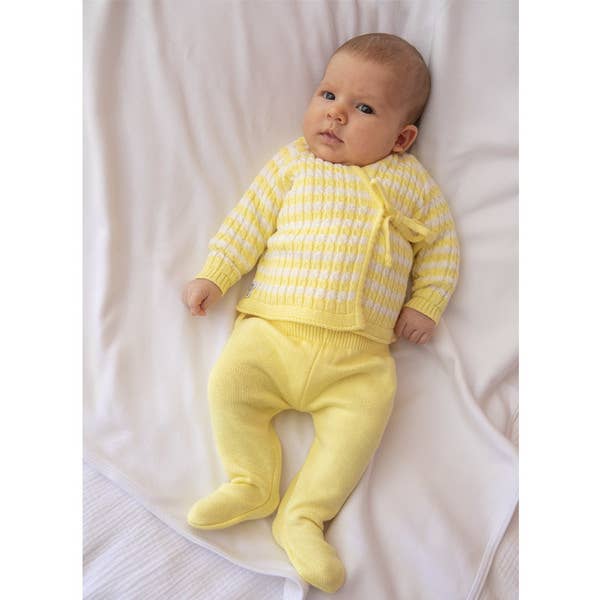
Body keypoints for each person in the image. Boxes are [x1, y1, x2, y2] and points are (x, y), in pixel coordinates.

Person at [182, 33, 460, 593]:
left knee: (362, 425)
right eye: (328, 95)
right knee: (230, 385)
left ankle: (303, 515)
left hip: (358, 359)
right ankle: (252, 480)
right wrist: (217, 273)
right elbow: (248, 222)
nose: (336, 114)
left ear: (402, 138)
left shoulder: (413, 185)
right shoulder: (294, 163)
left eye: (364, 108)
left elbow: (442, 247)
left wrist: (426, 304)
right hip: (273, 332)